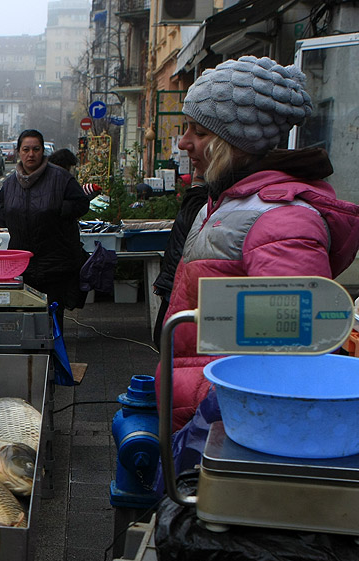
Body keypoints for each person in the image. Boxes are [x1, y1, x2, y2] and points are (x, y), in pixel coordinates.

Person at [163, 55, 359, 434]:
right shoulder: (224, 202)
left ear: (236, 142)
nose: (184, 142)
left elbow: (291, 356)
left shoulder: (283, 221)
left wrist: (212, 411)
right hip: (203, 413)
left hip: (230, 422)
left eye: (199, 132)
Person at [0, 128, 91, 334]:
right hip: (22, 265)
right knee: (27, 319)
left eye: (36, 149)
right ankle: (31, 360)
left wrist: (59, 212)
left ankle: (54, 362)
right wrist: (13, 220)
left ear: (42, 151)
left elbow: (81, 203)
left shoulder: (60, 177)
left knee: (53, 320)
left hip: (54, 264)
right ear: (19, 152)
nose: (31, 154)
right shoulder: (11, 182)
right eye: (26, 149)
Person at [150, 166, 207, 349]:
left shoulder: (200, 201)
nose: (186, 144)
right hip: (177, 280)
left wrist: (197, 189)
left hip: (183, 284)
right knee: (164, 340)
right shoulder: (200, 200)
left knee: (167, 342)